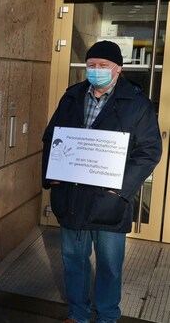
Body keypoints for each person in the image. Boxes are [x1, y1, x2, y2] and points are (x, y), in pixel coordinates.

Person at [42, 40, 162, 323]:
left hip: (109, 199)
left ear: (118, 69)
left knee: (109, 265)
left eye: (103, 66)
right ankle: (78, 314)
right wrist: (53, 177)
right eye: (92, 65)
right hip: (71, 194)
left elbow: (149, 152)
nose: (96, 71)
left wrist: (119, 189)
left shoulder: (136, 104)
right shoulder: (71, 96)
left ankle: (107, 316)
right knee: (74, 261)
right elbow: (51, 138)